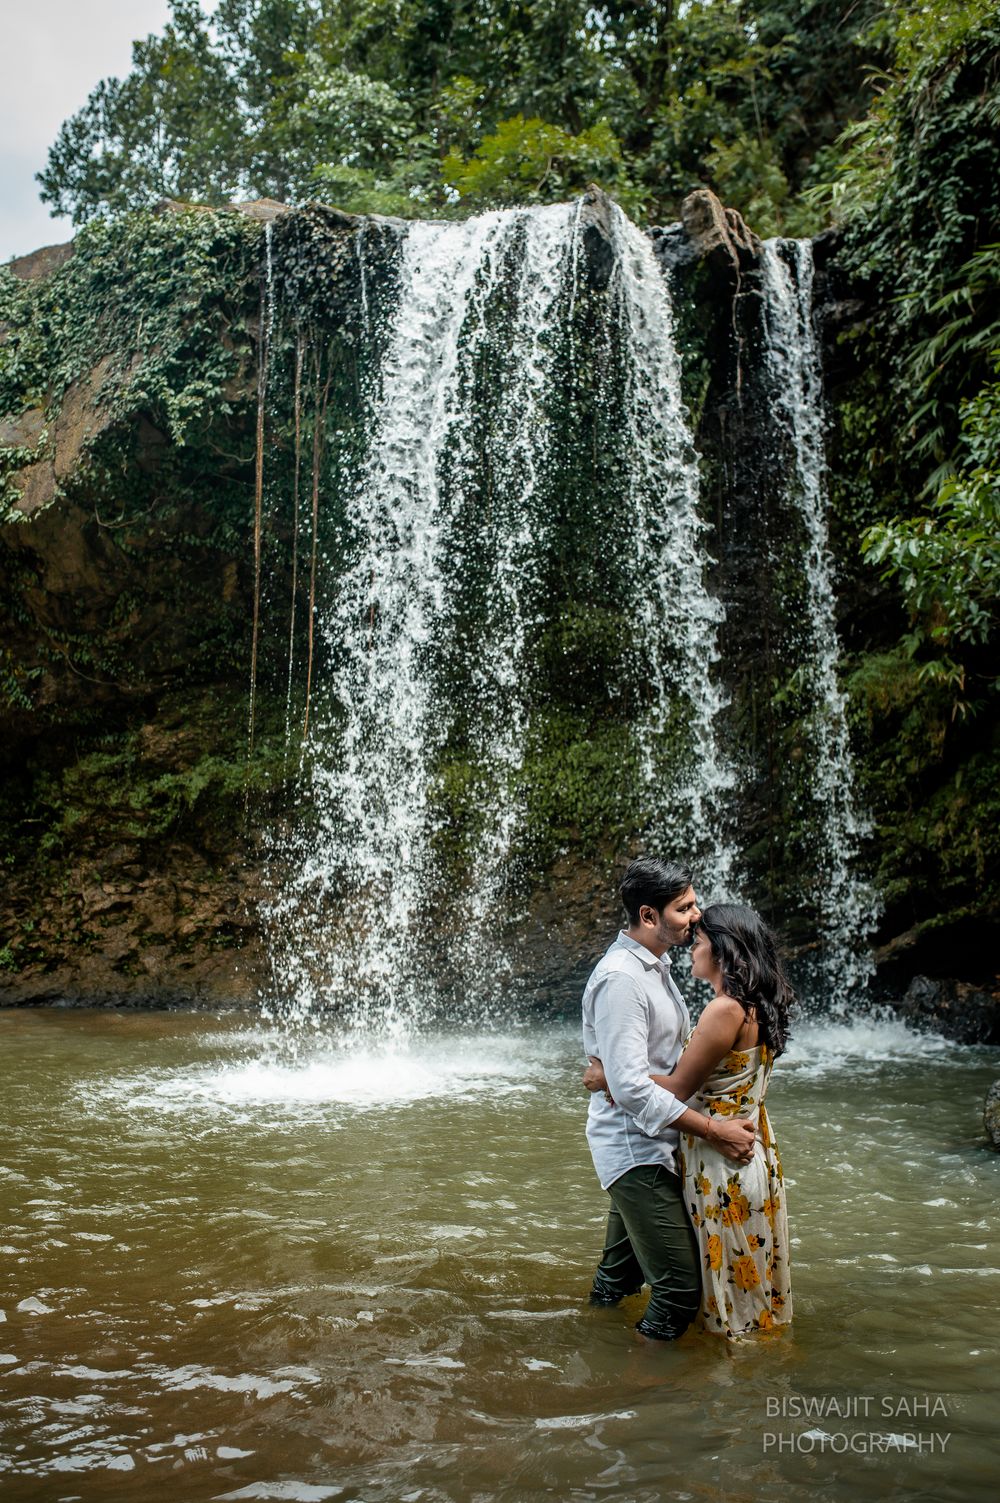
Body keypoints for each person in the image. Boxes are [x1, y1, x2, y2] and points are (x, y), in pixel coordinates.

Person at [585, 901, 793, 1339]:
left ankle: (656, 1379)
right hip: (750, 1153)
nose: (691, 946)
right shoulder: (755, 1004)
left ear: (722, 951)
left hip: (720, 1160)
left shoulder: (723, 1010)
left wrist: (613, 1077)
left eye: (699, 941)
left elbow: (679, 1087)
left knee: (711, 1287)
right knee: (742, 1279)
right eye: (686, 911)